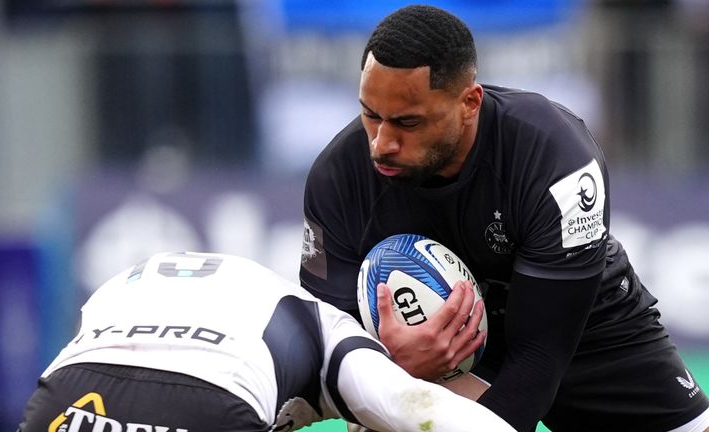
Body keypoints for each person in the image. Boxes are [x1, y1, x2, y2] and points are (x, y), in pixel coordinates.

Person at [299, 5, 709, 432]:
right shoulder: (337, 177)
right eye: (370, 114)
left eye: (408, 122)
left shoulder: (555, 158)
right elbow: (328, 348)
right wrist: (386, 364)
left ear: (469, 103)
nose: (381, 143)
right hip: (426, 359)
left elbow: (539, 359)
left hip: (584, 329)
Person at [17, 251, 515, 432]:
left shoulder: (269, 300)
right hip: (208, 403)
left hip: (65, 395)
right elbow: (417, 405)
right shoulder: (330, 333)